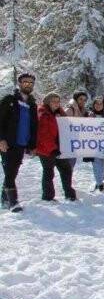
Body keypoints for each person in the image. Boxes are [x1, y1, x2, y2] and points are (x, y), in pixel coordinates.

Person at [0, 73, 39, 211]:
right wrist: (1, 139)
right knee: (10, 171)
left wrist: (33, 145)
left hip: (22, 144)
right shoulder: (9, 100)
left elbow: (34, 126)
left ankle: (4, 199)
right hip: (8, 143)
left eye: (30, 82)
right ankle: (13, 202)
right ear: (19, 83)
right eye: (25, 82)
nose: (28, 84)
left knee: (13, 171)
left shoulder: (32, 104)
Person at [36, 92, 77, 202]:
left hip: (59, 148)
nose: (56, 104)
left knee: (66, 169)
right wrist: (52, 148)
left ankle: (69, 193)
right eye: (53, 101)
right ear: (47, 102)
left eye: (58, 101)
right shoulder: (43, 113)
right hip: (45, 149)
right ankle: (48, 197)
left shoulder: (60, 113)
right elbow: (43, 134)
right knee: (49, 171)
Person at [88, 96, 104, 191]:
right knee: (96, 164)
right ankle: (99, 183)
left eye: (100, 104)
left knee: (102, 163)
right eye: (96, 103)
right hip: (93, 143)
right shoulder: (89, 115)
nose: (98, 105)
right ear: (93, 105)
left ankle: (100, 181)